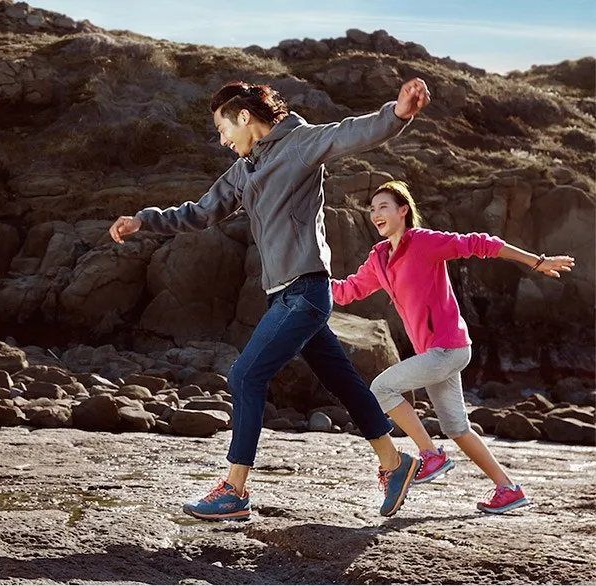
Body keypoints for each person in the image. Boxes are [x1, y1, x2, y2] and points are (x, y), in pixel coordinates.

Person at [109, 78, 432, 520]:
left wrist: (397, 114)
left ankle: (234, 489)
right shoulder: (243, 171)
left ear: (244, 117)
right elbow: (200, 213)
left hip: (306, 290)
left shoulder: (300, 143)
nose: (222, 140)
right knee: (343, 382)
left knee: (245, 376)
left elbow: (351, 133)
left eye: (223, 129)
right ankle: (395, 464)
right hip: (281, 295)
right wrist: (144, 220)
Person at [331, 180, 575, 514]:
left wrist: (536, 261)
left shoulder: (424, 242)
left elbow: (481, 243)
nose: (376, 214)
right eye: (372, 209)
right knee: (457, 428)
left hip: (448, 347)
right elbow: (348, 291)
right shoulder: (380, 258)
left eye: (383, 206)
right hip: (433, 353)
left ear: (403, 211)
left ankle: (431, 454)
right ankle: (508, 489)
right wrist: (309, 282)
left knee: (381, 388)